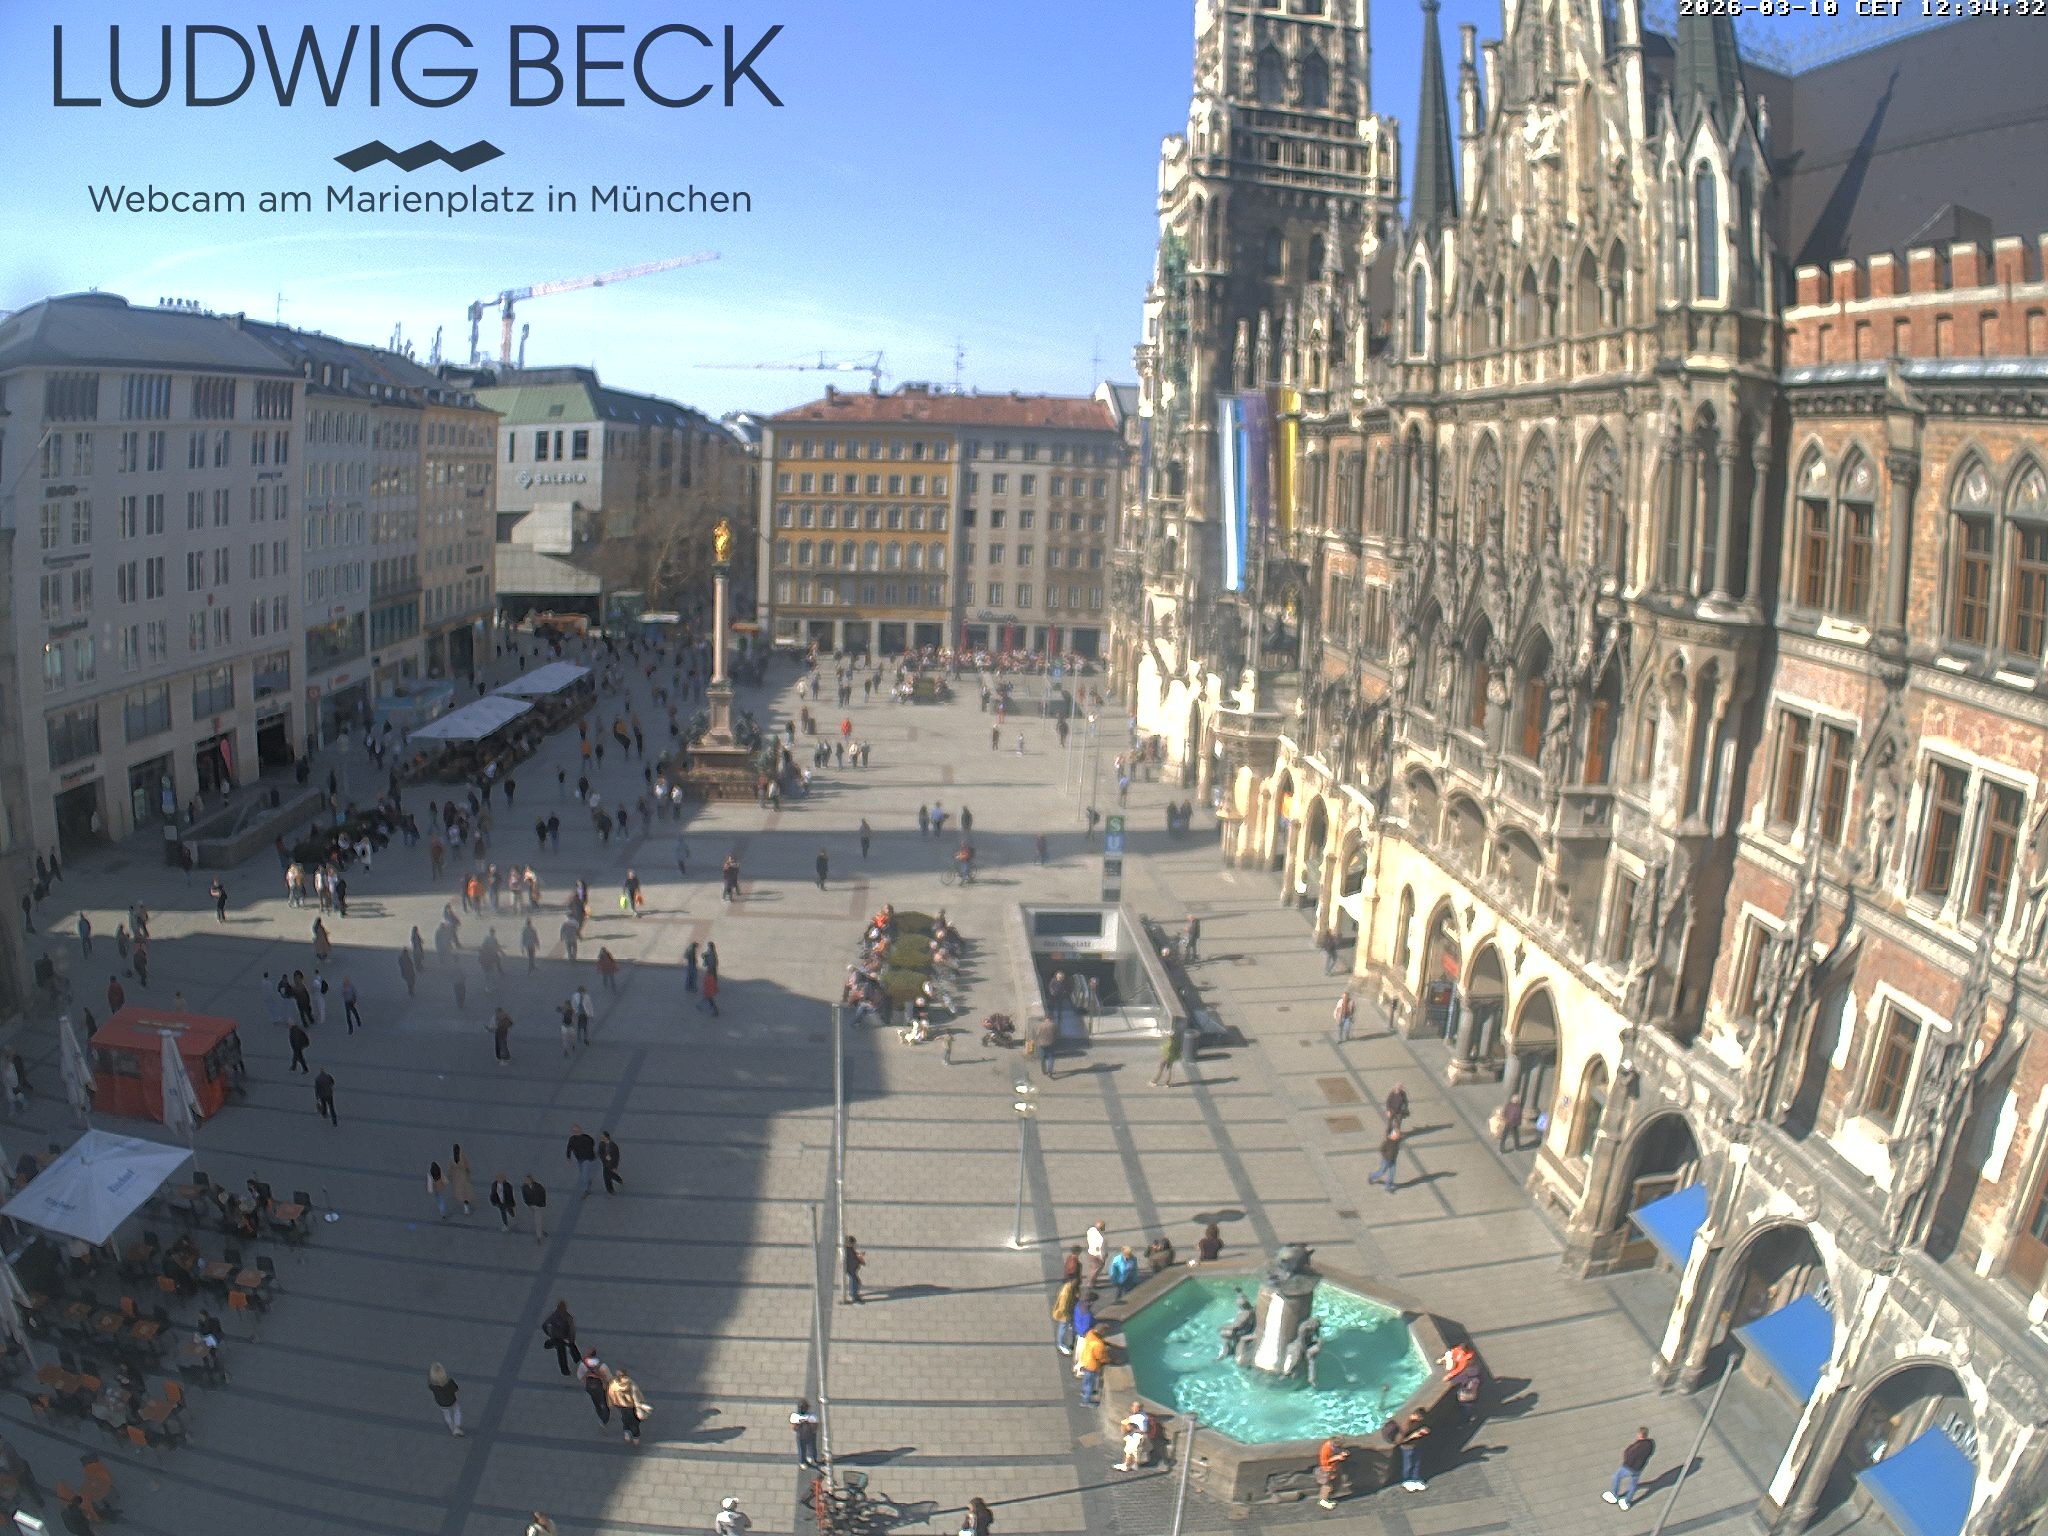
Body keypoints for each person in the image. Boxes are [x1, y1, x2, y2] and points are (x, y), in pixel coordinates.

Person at [1605, 1426, 1655, 1510]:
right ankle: (1627, 1501)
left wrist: (1626, 1459)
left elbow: (1628, 1454)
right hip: (1639, 1468)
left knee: (1616, 1477)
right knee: (1633, 1484)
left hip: (1629, 1467)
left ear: (1640, 1435)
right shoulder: (1650, 1444)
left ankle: (1615, 1495)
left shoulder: (1637, 1447)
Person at [607, 1368, 651, 1445]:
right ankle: (635, 1437)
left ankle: (626, 1432)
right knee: (634, 1422)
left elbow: (610, 1394)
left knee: (624, 1418)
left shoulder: (613, 1384)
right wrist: (641, 1404)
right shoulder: (631, 1383)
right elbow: (637, 1396)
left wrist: (610, 1404)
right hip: (631, 1406)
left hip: (620, 1405)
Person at [1395, 1410, 1430, 1491]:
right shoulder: (1405, 1425)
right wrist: (1413, 1436)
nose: (1420, 1420)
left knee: (1416, 1463)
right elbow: (1399, 1441)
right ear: (1414, 1415)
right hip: (1407, 1447)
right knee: (1408, 1465)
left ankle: (1416, 1479)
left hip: (1416, 1445)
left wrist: (1424, 1430)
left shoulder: (1418, 1422)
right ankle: (1406, 1480)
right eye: (1419, 1418)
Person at [1073, 1324, 1108, 1405]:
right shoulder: (1098, 1344)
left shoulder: (1090, 1333)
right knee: (1090, 1383)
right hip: (1092, 1365)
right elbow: (1100, 1357)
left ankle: (1084, 1391)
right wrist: (1107, 1359)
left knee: (1086, 1380)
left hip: (1085, 1360)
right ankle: (1086, 1401)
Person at [427, 1363, 464, 1436]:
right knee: (457, 1410)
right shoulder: (449, 1381)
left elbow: (431, 1389)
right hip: (452, 1400)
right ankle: (457, 1427)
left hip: (441, 1402)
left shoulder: (432, 1385)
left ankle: (451, 1427)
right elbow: (456, 1389)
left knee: (446, 1413)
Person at [1316, 1437, 1351, 1509]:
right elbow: (1324, 1462)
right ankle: (1322, 1501)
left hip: (1334, 1468)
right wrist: (1336, 1457)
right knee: (1328, 1486)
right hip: (1327, 1470)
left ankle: (1328, 1497)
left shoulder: (1334, 1447)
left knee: (1337, 1482)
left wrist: (1342, 1452)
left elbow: (1337, 1450)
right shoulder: (1325, 1449)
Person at [1118, 1403, 1153, 1471]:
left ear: (1138, 1408)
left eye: (1134, 1407)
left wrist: (1125, 1427)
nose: (1132, 1408)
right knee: (1135, 1451)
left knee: (1128, 1450)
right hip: (1142, 1435)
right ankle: (1135, 1464)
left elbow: (1125, 1423)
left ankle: (1126, 1466)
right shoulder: (1144, 1415)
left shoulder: (1136, 1417)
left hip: (1136, 1436)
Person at [566, 1125, 598, 1195]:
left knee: (584, 1175)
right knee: (582, 1171)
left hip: (587, 1158)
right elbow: (569, 1148)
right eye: (574, 1131)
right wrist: (568, 1157)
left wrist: (591, 1153)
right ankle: (588, 1180)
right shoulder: (572, 1139)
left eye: (577, 1131)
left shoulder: (586, 1138)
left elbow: (592, 1144)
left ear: (580, 1130)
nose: (576, 1132)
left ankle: (586, 1190)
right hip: (580, 1159)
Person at [791, 1398, 821, 1467]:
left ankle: (807, 1460)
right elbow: (794, 1427)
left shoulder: (797, 1417)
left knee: (807, 1449)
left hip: (805, 1435)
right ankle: (807, 1460)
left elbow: (794, 1428)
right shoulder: (810, 1416)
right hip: (806, 1435)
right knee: (806, 1449)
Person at [449, 1145, 476, 1215]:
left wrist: (451, 1176)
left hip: (461, 1177)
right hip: (460, 1177)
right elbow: (467, 1166)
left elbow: (451, 1168)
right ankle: (466, 1206)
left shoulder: (453, 1158)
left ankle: (466, 1207)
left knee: (465, 1193)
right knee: (464, 1193)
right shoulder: (460, 1157)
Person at [522, 1174, 548, 1245]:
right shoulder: (524, 1187)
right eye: (526, 1180)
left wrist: (542, 1203)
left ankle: (539, 1237)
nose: (526, 1181)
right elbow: (524, 1196)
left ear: (531, 1180)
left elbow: (543, 1194)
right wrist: (528, 1204)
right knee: (538, 1220)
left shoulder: (538, 1187)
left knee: (537, 1221)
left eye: (528, 1180)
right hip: (531, 1206)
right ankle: (540, 1231)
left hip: (538, 1206)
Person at [843, 1234, 866, 1304]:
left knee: (854, 1281)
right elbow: (853, 1260)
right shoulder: (849, 1250)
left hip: (850, 1269)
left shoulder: (848, 1249)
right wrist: (860, 1260)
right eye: (853, 1244)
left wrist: (858, 1255)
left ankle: (852, 1293)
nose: (854, 1245)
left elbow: (853, 1255)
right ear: (850, 1244)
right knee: (855, 1282)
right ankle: (855, 1297)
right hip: (851, 1270)